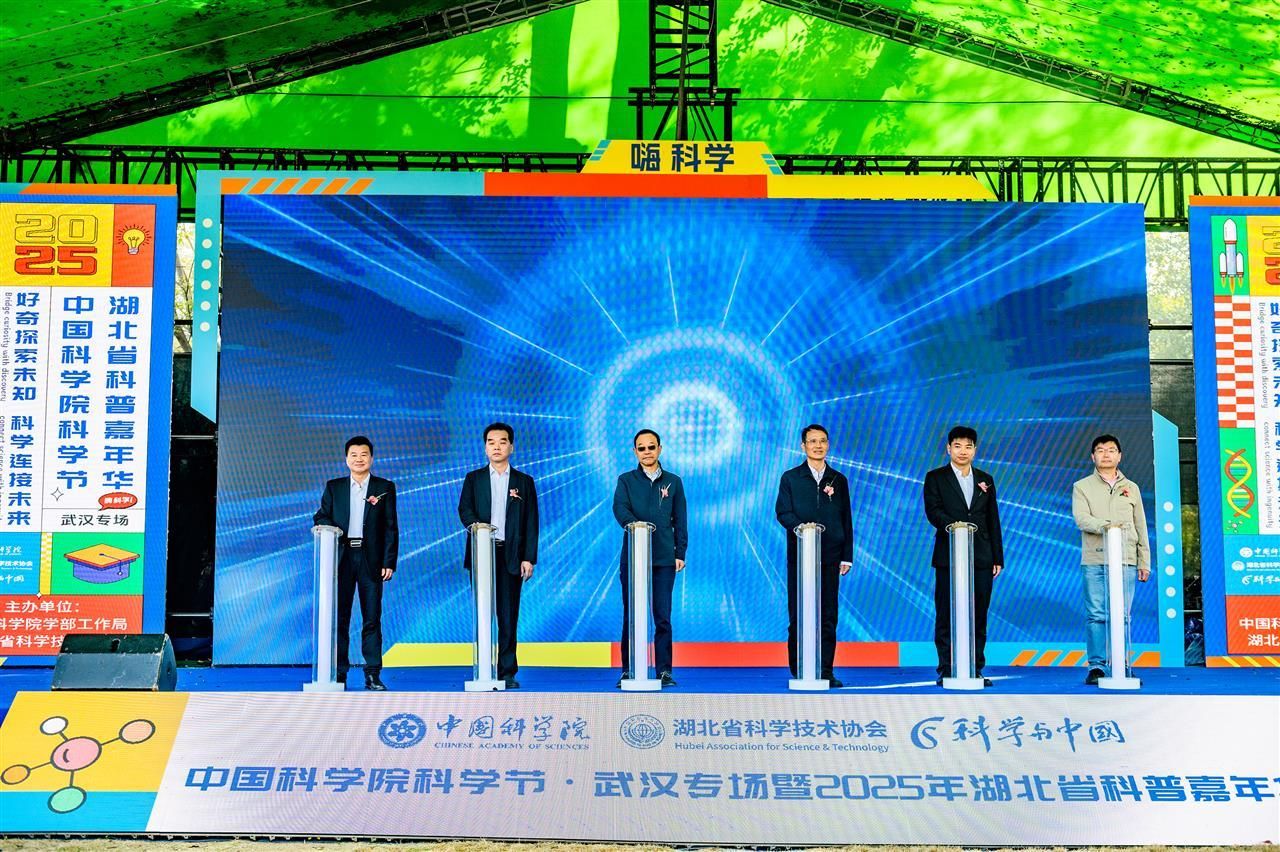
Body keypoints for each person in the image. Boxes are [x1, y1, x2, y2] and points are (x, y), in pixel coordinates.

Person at [458, 422, 540, 689]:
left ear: (511, 447)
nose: (496, 447)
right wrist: (477, 528)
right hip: (482, 553)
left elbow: (531, 522)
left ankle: (507, 672)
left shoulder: (524, 482)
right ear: (485, 448)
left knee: (508, 615)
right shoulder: (474, 479)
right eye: (491, 442)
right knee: (483, 612)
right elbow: (465, 510)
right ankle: (483, 667)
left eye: (502, 442)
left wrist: (528, 557)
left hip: (511, 555)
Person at [313, 436, 399, 690]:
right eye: (354, 455)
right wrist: (328, 528)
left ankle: (372, 674)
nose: (359, 459)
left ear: (371, 458)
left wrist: (389, 561)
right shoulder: (334, 487)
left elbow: (391, 527)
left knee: (372, 617)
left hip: (371, 559)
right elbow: (321, 515)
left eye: (364, 455)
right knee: (340, 618)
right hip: (342, 559)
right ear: (346, 459)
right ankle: (339, 673)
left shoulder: (384, 487)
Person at [922, 425, 1003, 687]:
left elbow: (992, 519)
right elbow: (933, 511)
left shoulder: (985, 479)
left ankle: (974, 668)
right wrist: (956, 527)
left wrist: (997, 557)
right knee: (946, 612)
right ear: (948, 448)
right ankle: (947, 668)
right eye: (957, 446)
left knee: (978, 613)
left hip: (981, 555)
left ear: (975, 450)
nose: (963, 451)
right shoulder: (935, 477)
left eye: (968, 446)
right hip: (949, 554)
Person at [775, 424, 853, 687]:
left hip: (830, 556)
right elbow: (782, 512)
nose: (818, 446)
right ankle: (800, 668)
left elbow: (846, 518)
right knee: (799, 614)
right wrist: (801, 527)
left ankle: (826, 670)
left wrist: (847, 555)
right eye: (812, 441)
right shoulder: (791, 478)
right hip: (801, 557)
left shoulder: (838, 480)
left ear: (828, 445)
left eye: (822, 441)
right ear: (803, 446)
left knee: (828, 615)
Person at [1071, 434, 1150, 685]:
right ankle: (1097, 666)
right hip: (1095, 559)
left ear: (1120, 456)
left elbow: (1140, 526)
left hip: (1125, 559)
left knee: (1122, 615)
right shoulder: (1082, 486)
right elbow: (1082, 519)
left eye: (1111, 450)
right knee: (1096, 614)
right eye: (1100, 450)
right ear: (1093, 456)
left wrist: (1144, 561)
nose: (1106, 454)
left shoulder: (1132, 488)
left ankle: (1121, 665)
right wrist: (1108, 527)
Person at [613, 429, 687, 688]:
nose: (647, 452)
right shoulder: (626, 480)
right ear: (635, 452)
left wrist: (680, 553)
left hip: (664, 558)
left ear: (660, 449)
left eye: (651, 447)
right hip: (633, 557)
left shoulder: (674, 482)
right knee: (631, 615)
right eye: (641, 448)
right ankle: (628, 670)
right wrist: (636, 526)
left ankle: (664, 671)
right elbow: (619, 508)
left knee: (662, 616)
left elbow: (680, 519)